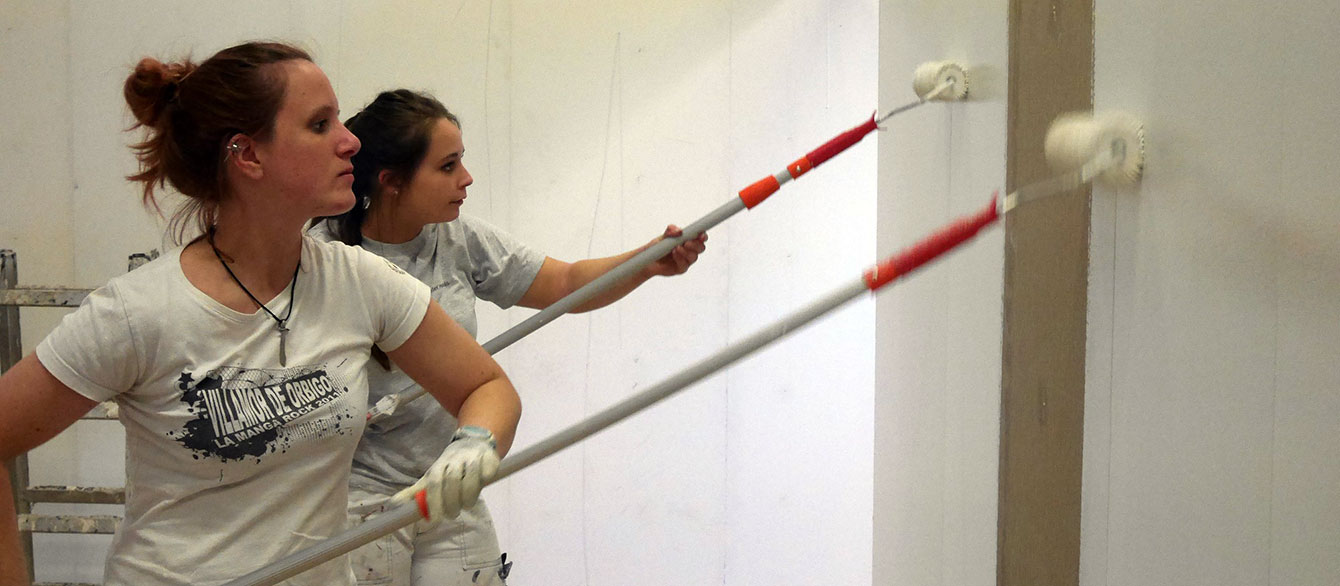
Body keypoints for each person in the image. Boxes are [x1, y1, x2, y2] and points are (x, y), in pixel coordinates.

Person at [0, 43, 520, 586]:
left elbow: (486, 386)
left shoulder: (360, 283)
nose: (350, 141)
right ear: (248, 155)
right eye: (320, 124)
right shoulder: (138, 313)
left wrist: (475, 441)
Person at [313, 89, 707, 586]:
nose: (466, 178)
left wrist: (646, 262)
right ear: (391, 181)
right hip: (357, 503)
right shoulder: (322, 258)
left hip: (449, 486)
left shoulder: (458, 237)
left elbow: (564, 284)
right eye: (447, 166)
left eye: (462, 160)